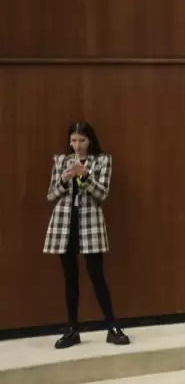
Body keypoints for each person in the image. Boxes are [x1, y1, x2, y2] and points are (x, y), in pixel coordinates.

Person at [43, 122, 129, 349]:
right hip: (64, 224)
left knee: (97, 275)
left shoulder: (102, 161)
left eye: (82, 140)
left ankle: (113, 327)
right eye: (73, 140)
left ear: (90, 140)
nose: (77, 145)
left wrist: (85, 175)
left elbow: (102, 193)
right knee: (70, 278)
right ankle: (72, 330)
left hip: (90, 223)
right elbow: (51, 195)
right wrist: (64, 180)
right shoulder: (61, 161)